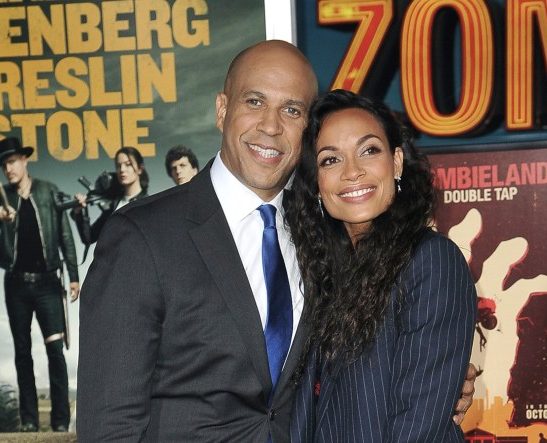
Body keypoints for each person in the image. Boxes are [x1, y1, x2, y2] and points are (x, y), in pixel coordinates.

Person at [77, 40, 474, 442]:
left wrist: (444, 379)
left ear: (306, 131)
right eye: (254, 101)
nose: (271, 125)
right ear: (221, 110)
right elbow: (110, 424)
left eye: (291, 110)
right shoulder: (142, 235)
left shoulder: (321, 237)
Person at [286, 89, 476, 441]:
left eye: (369, 150)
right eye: (331, 160)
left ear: (397, 162)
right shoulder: (321, 272)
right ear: (316, 182)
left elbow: (416, 427)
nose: (352, 172)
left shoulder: (431, 260)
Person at [0, 137, 79, 432]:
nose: (9, 168)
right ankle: (28, 420)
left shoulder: (48, 190)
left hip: (48, 284)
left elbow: (64, 234)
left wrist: (74, 275)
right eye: (4, 164)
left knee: (55, 351)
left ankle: (61, 422)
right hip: (15, 285)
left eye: (13, 162)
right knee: (22, 351)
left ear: (25, 161)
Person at [71, 146, 149, 245]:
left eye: (128, 164)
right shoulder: (114, 204)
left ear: (139, 169)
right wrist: (79, 212)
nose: (122, 170)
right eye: (118, 166)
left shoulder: (147, 204)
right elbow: (89, 238)